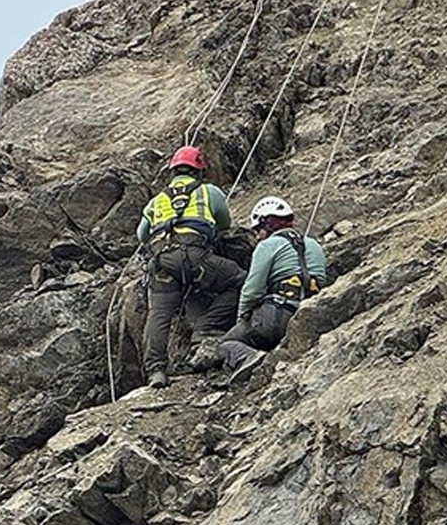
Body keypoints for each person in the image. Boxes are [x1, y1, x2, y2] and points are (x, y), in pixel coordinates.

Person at [137, 146, 244, 388]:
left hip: (162, 261)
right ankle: (205, 329)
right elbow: (224, 223)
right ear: (199, 171)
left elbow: (141, 234)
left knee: (159, 314)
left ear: (173, 171)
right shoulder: (208, 192)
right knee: (241, 280)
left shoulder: (157, 200)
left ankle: (156, 371)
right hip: (196, 256)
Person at [215, 195, 327, 379]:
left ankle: (248, 358)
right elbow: (321, 280)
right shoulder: (314, 245)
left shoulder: (267, 246)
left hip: (276, 314)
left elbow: (252, 291)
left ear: (268, 224)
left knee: (226, 343)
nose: (258, 236)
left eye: (258, 229)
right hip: (309, 313)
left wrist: (241, 319)